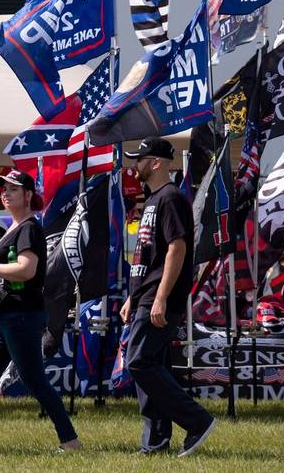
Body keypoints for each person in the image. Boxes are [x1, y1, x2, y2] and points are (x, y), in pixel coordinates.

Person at [0, 170, 81, 452]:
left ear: (28, 195)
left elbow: (27, 269)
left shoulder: (29, 228)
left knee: (34, 379)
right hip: (2, 314)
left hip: (21, 314)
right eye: (3, 189)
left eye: (13, 189)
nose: (5, 194)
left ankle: (70, 440)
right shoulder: (14, 227)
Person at [120, 137, 217, 457]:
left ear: (157, 162)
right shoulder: (152, 200)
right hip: (146, 295)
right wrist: (133, 297)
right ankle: (155, 441)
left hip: (161, 297)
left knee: (139, 362)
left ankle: (197, 421)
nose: (135, 165)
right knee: (153, 363)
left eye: (139, 159)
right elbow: (150, 257)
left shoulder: (171, 198)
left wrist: (160, 297)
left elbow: (177, 248)